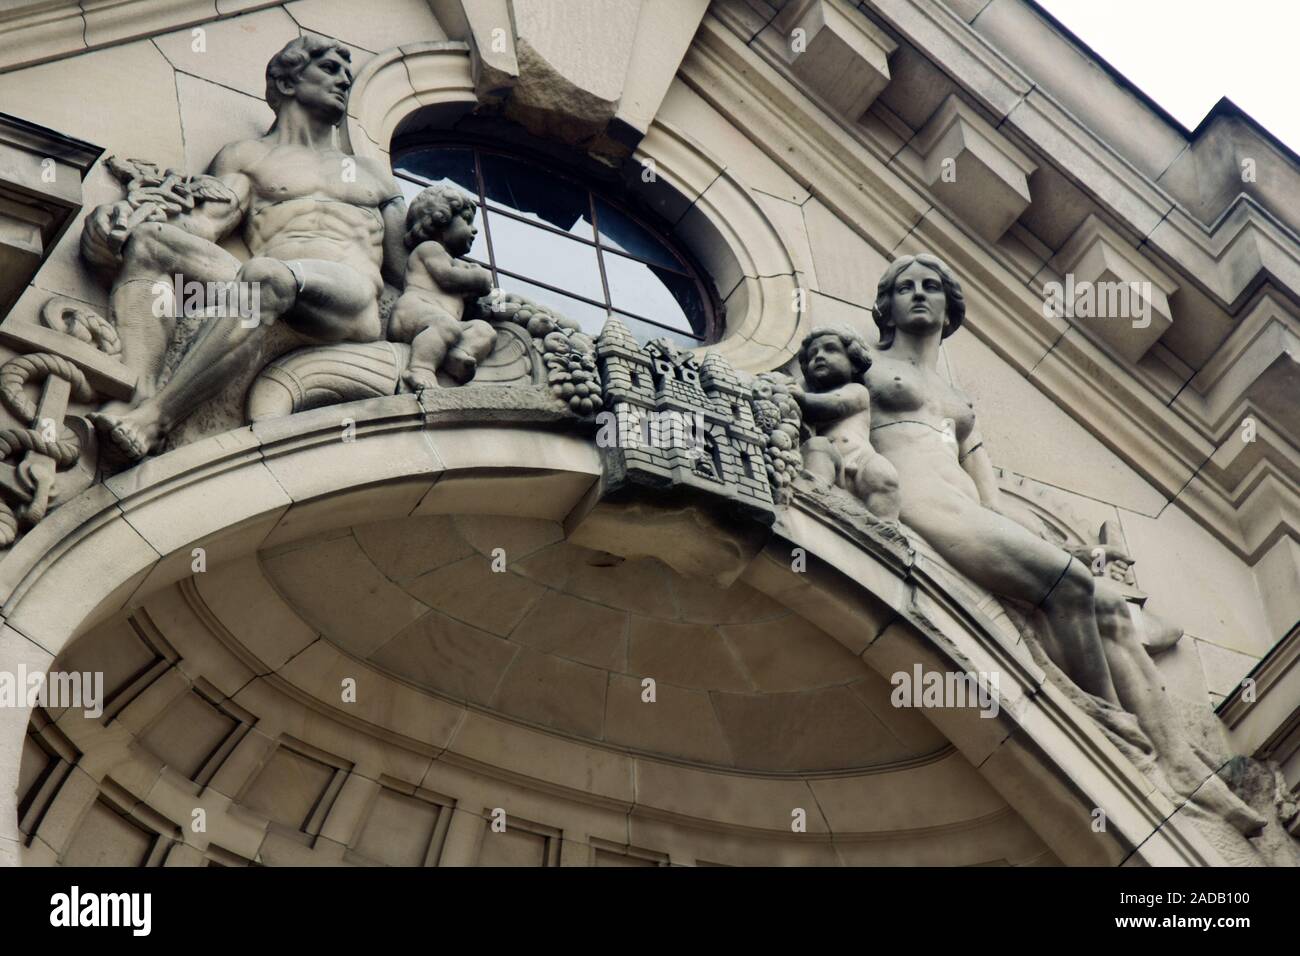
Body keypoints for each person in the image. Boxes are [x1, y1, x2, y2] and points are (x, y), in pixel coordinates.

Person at [864, 253, 1265, 836]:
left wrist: (1047, 543)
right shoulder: (867, 366)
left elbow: (993, 502)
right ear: (886, 305)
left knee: (1107, 606)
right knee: (1072, 587)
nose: (919, 295)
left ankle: (1178, 763)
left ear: (952, 307)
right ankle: (1109, 730)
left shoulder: (959, 402)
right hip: (922, 504)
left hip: (966, 511)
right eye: (905, 288)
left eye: (932, 287)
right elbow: (824, 411)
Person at [82, 35, 407, 459]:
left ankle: (157, 418)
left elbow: (406, 273)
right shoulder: (247, 157)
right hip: (269, 284)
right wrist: (125, 221)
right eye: (330, 69)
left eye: (347, 74)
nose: (344, 81)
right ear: (287, 82)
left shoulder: (374, 176)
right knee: (151, 243)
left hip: (347, 301)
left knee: (264, 276)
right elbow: (204, 224)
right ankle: (138, 390)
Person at [788, 326, 901, 523]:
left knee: (884, 475)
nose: (819, 357)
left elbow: (836, 404)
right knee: (817, 447)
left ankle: (886, 525)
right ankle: (816, 495)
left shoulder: (856, 390)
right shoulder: (811, 393)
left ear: (854, 363)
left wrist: (802, 399)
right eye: (813, 354)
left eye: (830, 349)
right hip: (830, 459)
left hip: (861, 461)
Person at [388, 184, 496, 389]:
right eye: (466, 220)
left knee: (484, 330)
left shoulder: (458, 263)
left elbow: (469, 297)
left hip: (442, 324)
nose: (474, 229)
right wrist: (478, 278)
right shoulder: (430, 248)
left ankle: (457, 355)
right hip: (413, 314)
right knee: (446, 325)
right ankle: (420, 368)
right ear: (441, 219)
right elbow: (447, 278)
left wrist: (477, 294)